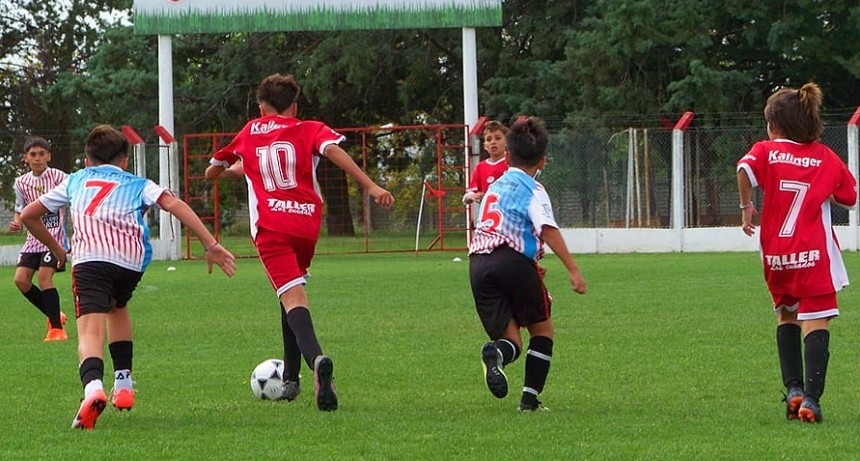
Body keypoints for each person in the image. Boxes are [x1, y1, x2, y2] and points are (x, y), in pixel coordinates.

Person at [20, 124, 237, 430]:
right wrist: (210, 244)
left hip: (91, 259)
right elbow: (173, 204)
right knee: (117, 306)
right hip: (130, 262)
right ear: (124, 161)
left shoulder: (75, 180)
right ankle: (123, 385)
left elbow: (29, 214)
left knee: (90, 332)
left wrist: (58, 248)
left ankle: (93, 387)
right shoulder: (138, 182)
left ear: (86, 159)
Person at [205, 73, 394, 412]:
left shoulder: (249, 131)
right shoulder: (309, 128)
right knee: (288, 293)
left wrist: (222, 171)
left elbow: (214, 169)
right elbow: (334, 152)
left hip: (271, 227)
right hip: (306, 224)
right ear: (294, 106)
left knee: (292, 298)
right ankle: (291, 379)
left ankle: (317, 362)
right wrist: (371, 186)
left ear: (261, 106)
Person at [736, 82, 856, 423]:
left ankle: (793, 389)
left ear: (774, 125)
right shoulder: (825, 156)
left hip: (776, 257)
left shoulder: (765, 150)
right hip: (813, 256)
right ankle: (812, 401)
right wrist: (825, 190)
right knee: (816, 320)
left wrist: (747, 206)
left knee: (787, 315)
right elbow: (849, 197)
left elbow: (743, 170)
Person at [468, 117, 587, 412]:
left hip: (478, 265)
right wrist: (573, 270)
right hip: (512, 262)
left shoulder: (494, 189)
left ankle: (496, 353)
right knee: (542, 330)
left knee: (511, 340)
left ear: (507, 155)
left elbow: (498, 228)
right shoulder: (534, 189)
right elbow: (547, 229)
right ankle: (529, 402)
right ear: (542, 161)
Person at [462, 120, 509, 205]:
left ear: (506, 142)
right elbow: (468, 195)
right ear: (485, 146)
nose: (493, 142)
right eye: (489, 139)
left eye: (498, 138)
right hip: (487, 216)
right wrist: (473, 196)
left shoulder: (512, 164)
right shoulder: (481, 167)